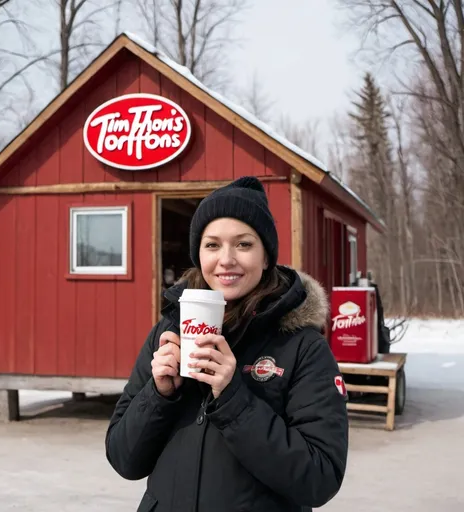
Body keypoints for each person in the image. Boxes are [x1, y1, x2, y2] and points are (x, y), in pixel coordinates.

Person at [105, 176, 349, 512]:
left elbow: (319, 479)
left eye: (244, 244)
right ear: (198, 253)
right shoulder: (168, 332)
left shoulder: (302, 347)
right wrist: (159, 395)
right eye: (212, 245)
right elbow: (123, 459)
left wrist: (234, 400)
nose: (226, 259)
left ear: (267, 258)